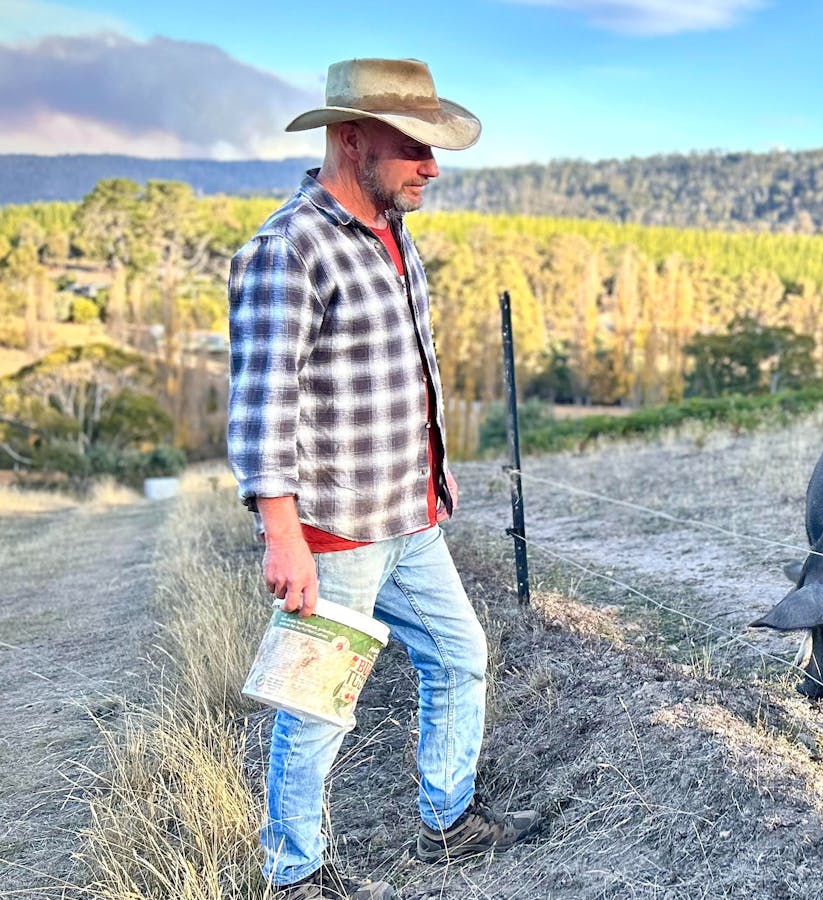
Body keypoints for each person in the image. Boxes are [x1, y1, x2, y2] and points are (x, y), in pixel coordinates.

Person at [228, 58, 537, 900]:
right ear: (352, 138)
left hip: (410, 518)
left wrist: (435, 476)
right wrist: (281, 532)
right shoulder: (288, 249)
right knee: (319, 703)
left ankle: (446, 821)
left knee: (460, 655)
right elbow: (262, 406)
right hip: (333, 532)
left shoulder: (394, 234)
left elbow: (406, 376)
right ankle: (294, 874)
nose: (432, 167)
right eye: (415, 148)